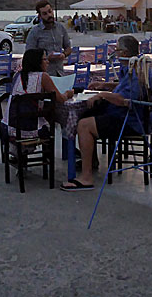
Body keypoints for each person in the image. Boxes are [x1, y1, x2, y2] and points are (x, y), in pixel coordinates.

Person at [61, 35, 142, 191]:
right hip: (121, 115)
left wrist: (102, 95)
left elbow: (125, 100)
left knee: (84, 125)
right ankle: (91, 160)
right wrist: (105, 85)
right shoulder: (131, 67)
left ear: (124, 53)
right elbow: (123, 87)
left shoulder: (135, 70)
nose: (115, 54)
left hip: (128, 120)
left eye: (117, 50)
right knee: (86, 115)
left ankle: (86, 177)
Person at [2, 48, 74, 137]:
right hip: (30, 129)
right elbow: (60, 99)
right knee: (55, 119)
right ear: (37, 62)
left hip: (8, 126)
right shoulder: (43, 77)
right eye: (45, 59)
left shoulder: (17, 75)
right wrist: (68, 93)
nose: (48, 62)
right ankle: (64, 148)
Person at [25, 0, 71, 76]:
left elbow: (68, 47)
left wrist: (64, 54)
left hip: (60, 72)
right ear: (40, 16)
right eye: (45, 14)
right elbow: (29, 55)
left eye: (50, 11)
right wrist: (46, 58)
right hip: (44, 75)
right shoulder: (35, 32)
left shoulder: (60, 28)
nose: (49, 15)